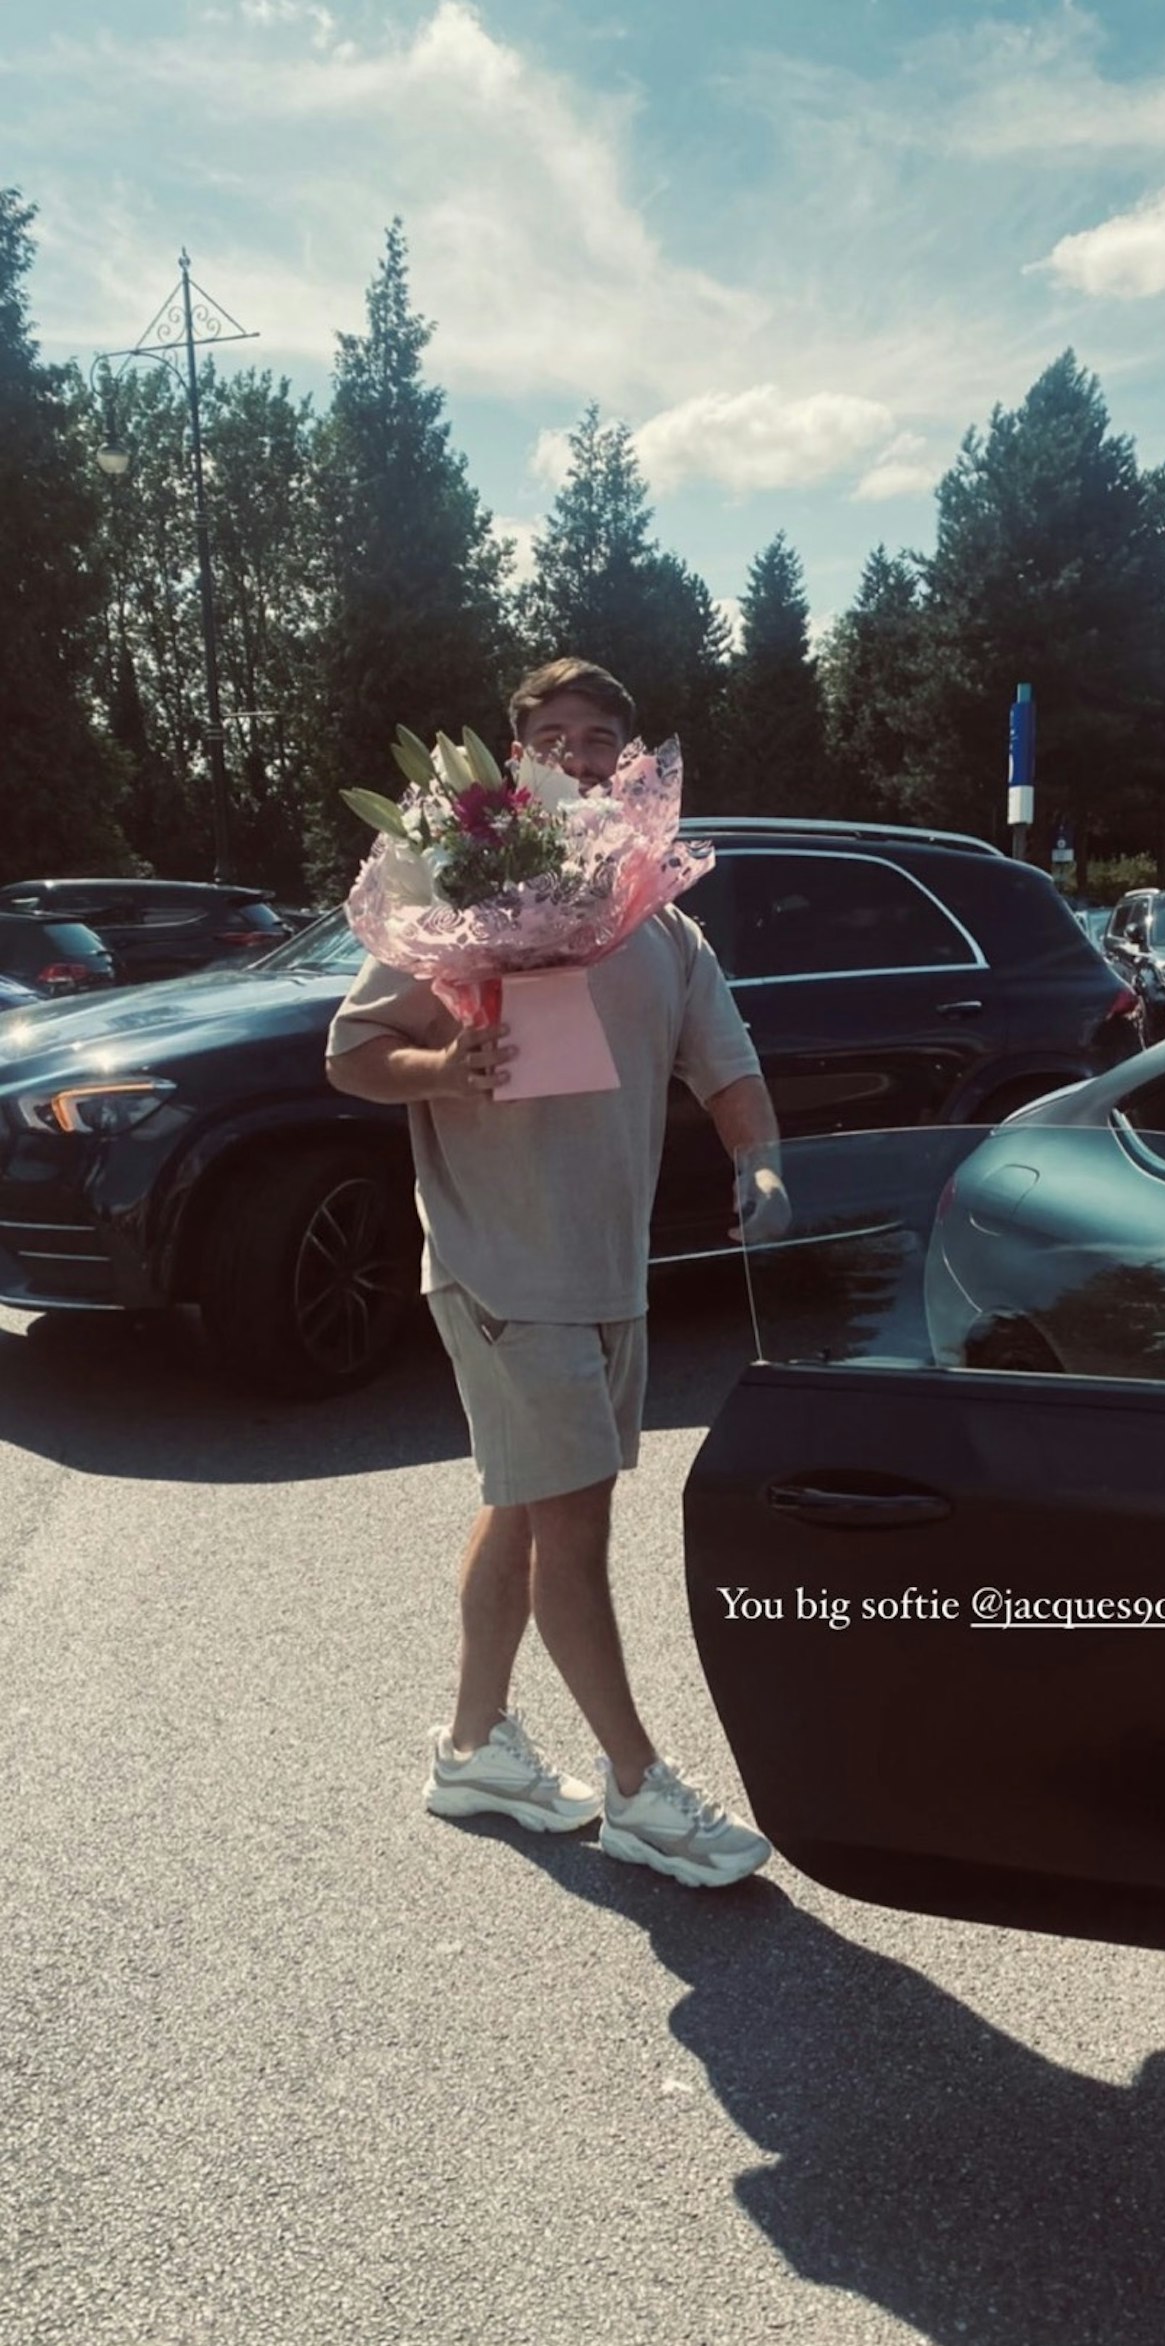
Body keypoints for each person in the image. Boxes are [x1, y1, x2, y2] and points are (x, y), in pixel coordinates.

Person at [325, 657, 788, 1888]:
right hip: (497, 1261)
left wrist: (763, 1163)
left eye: (598, 735)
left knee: (527, 1502)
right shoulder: (455, 892)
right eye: (551, 734)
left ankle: (474, 1748)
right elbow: (354, 1052)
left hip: (607, 1268)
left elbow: (725, 1065)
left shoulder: (660, 923)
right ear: (513, 761)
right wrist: (442, 1071)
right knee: (575, 1523)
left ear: (630, 762)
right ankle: (641, 1789)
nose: (577, 753)